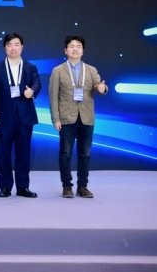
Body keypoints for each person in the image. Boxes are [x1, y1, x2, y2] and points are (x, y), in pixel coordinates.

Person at [49, 35, 108, 199]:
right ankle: (67, 186)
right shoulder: (58, 71)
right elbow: (53, 97)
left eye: (78, 46)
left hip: (87, 118)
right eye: (72, 46)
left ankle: (83, 187)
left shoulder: (91, 70)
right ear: (65, 50)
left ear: (83, 50)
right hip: (66, 118)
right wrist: (56, 118)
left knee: (85, 154)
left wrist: (102, 88)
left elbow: (99, 86)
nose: (75, 49)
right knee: (65, 154)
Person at [0, 32, 41, 198]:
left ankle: (23, 187)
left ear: (22, 47)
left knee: (23, 153)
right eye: (9, 45)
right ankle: (5, 187)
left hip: (25, 117)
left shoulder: (30, 67)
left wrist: (32, 91)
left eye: (16, 44)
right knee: (3, 153)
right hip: (3, 118)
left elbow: (37, 83)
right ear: (5, 48)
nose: (13, 48)